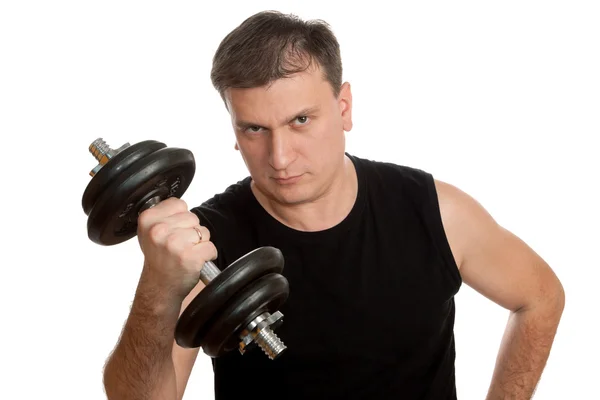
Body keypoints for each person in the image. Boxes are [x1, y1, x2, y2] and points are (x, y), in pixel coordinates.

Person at [101, 10, 565, 400]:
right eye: (254, 129)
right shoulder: (200, 245)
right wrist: (157, 286)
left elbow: (540, 298)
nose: (280, 158)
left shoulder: (433, 211)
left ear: (343, 107)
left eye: (300, 119)